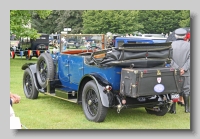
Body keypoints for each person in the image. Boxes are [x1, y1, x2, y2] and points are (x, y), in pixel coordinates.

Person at [169, 28, 190, 113]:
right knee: (186, 89)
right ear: (185, 36)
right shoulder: (190, 45)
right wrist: (184, 68)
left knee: (174, 89)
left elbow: (169, 59)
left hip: (174, 71)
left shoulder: (171, 45)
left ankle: (173, 109)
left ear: (175, 35)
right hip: (186, 71)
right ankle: (187, 108)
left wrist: (177, 68)